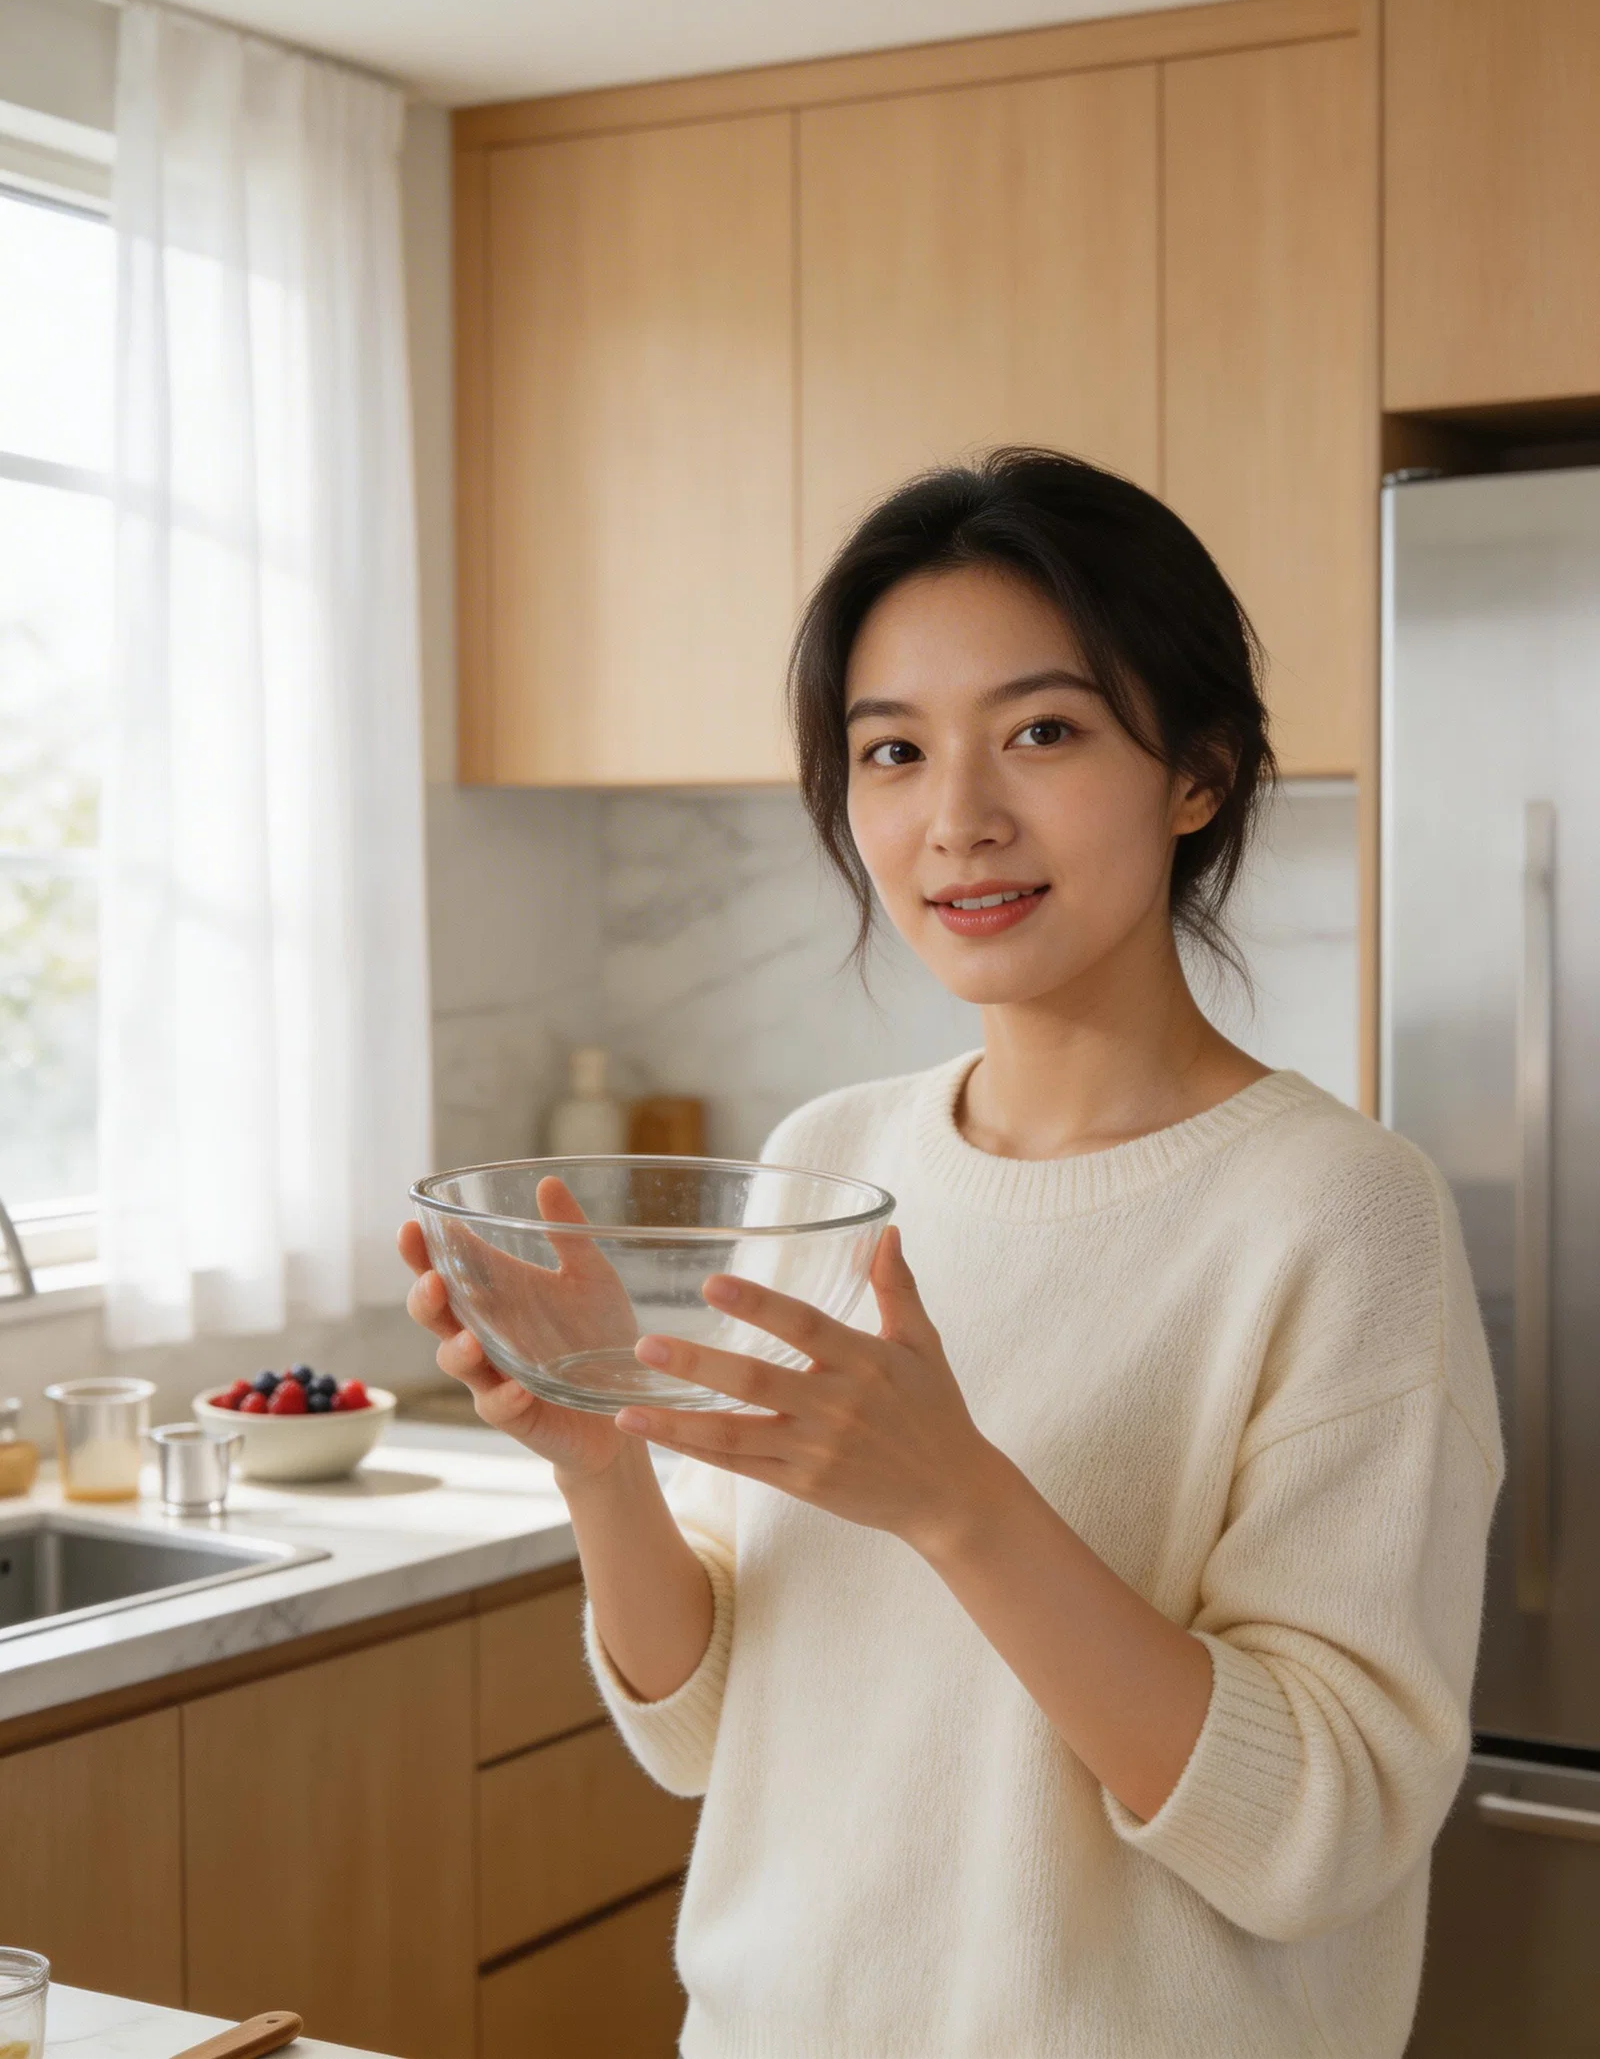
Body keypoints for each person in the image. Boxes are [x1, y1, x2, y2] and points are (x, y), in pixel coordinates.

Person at [401, 449, 1502, 2058]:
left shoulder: (1339, 1214)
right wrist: (599, 1455)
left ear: (1196, 772)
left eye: (1041, 732)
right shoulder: (828, 1160)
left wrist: (957, 1502)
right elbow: (704, 1730)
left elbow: (1317, 1834)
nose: (959, 819)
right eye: (894, 751)